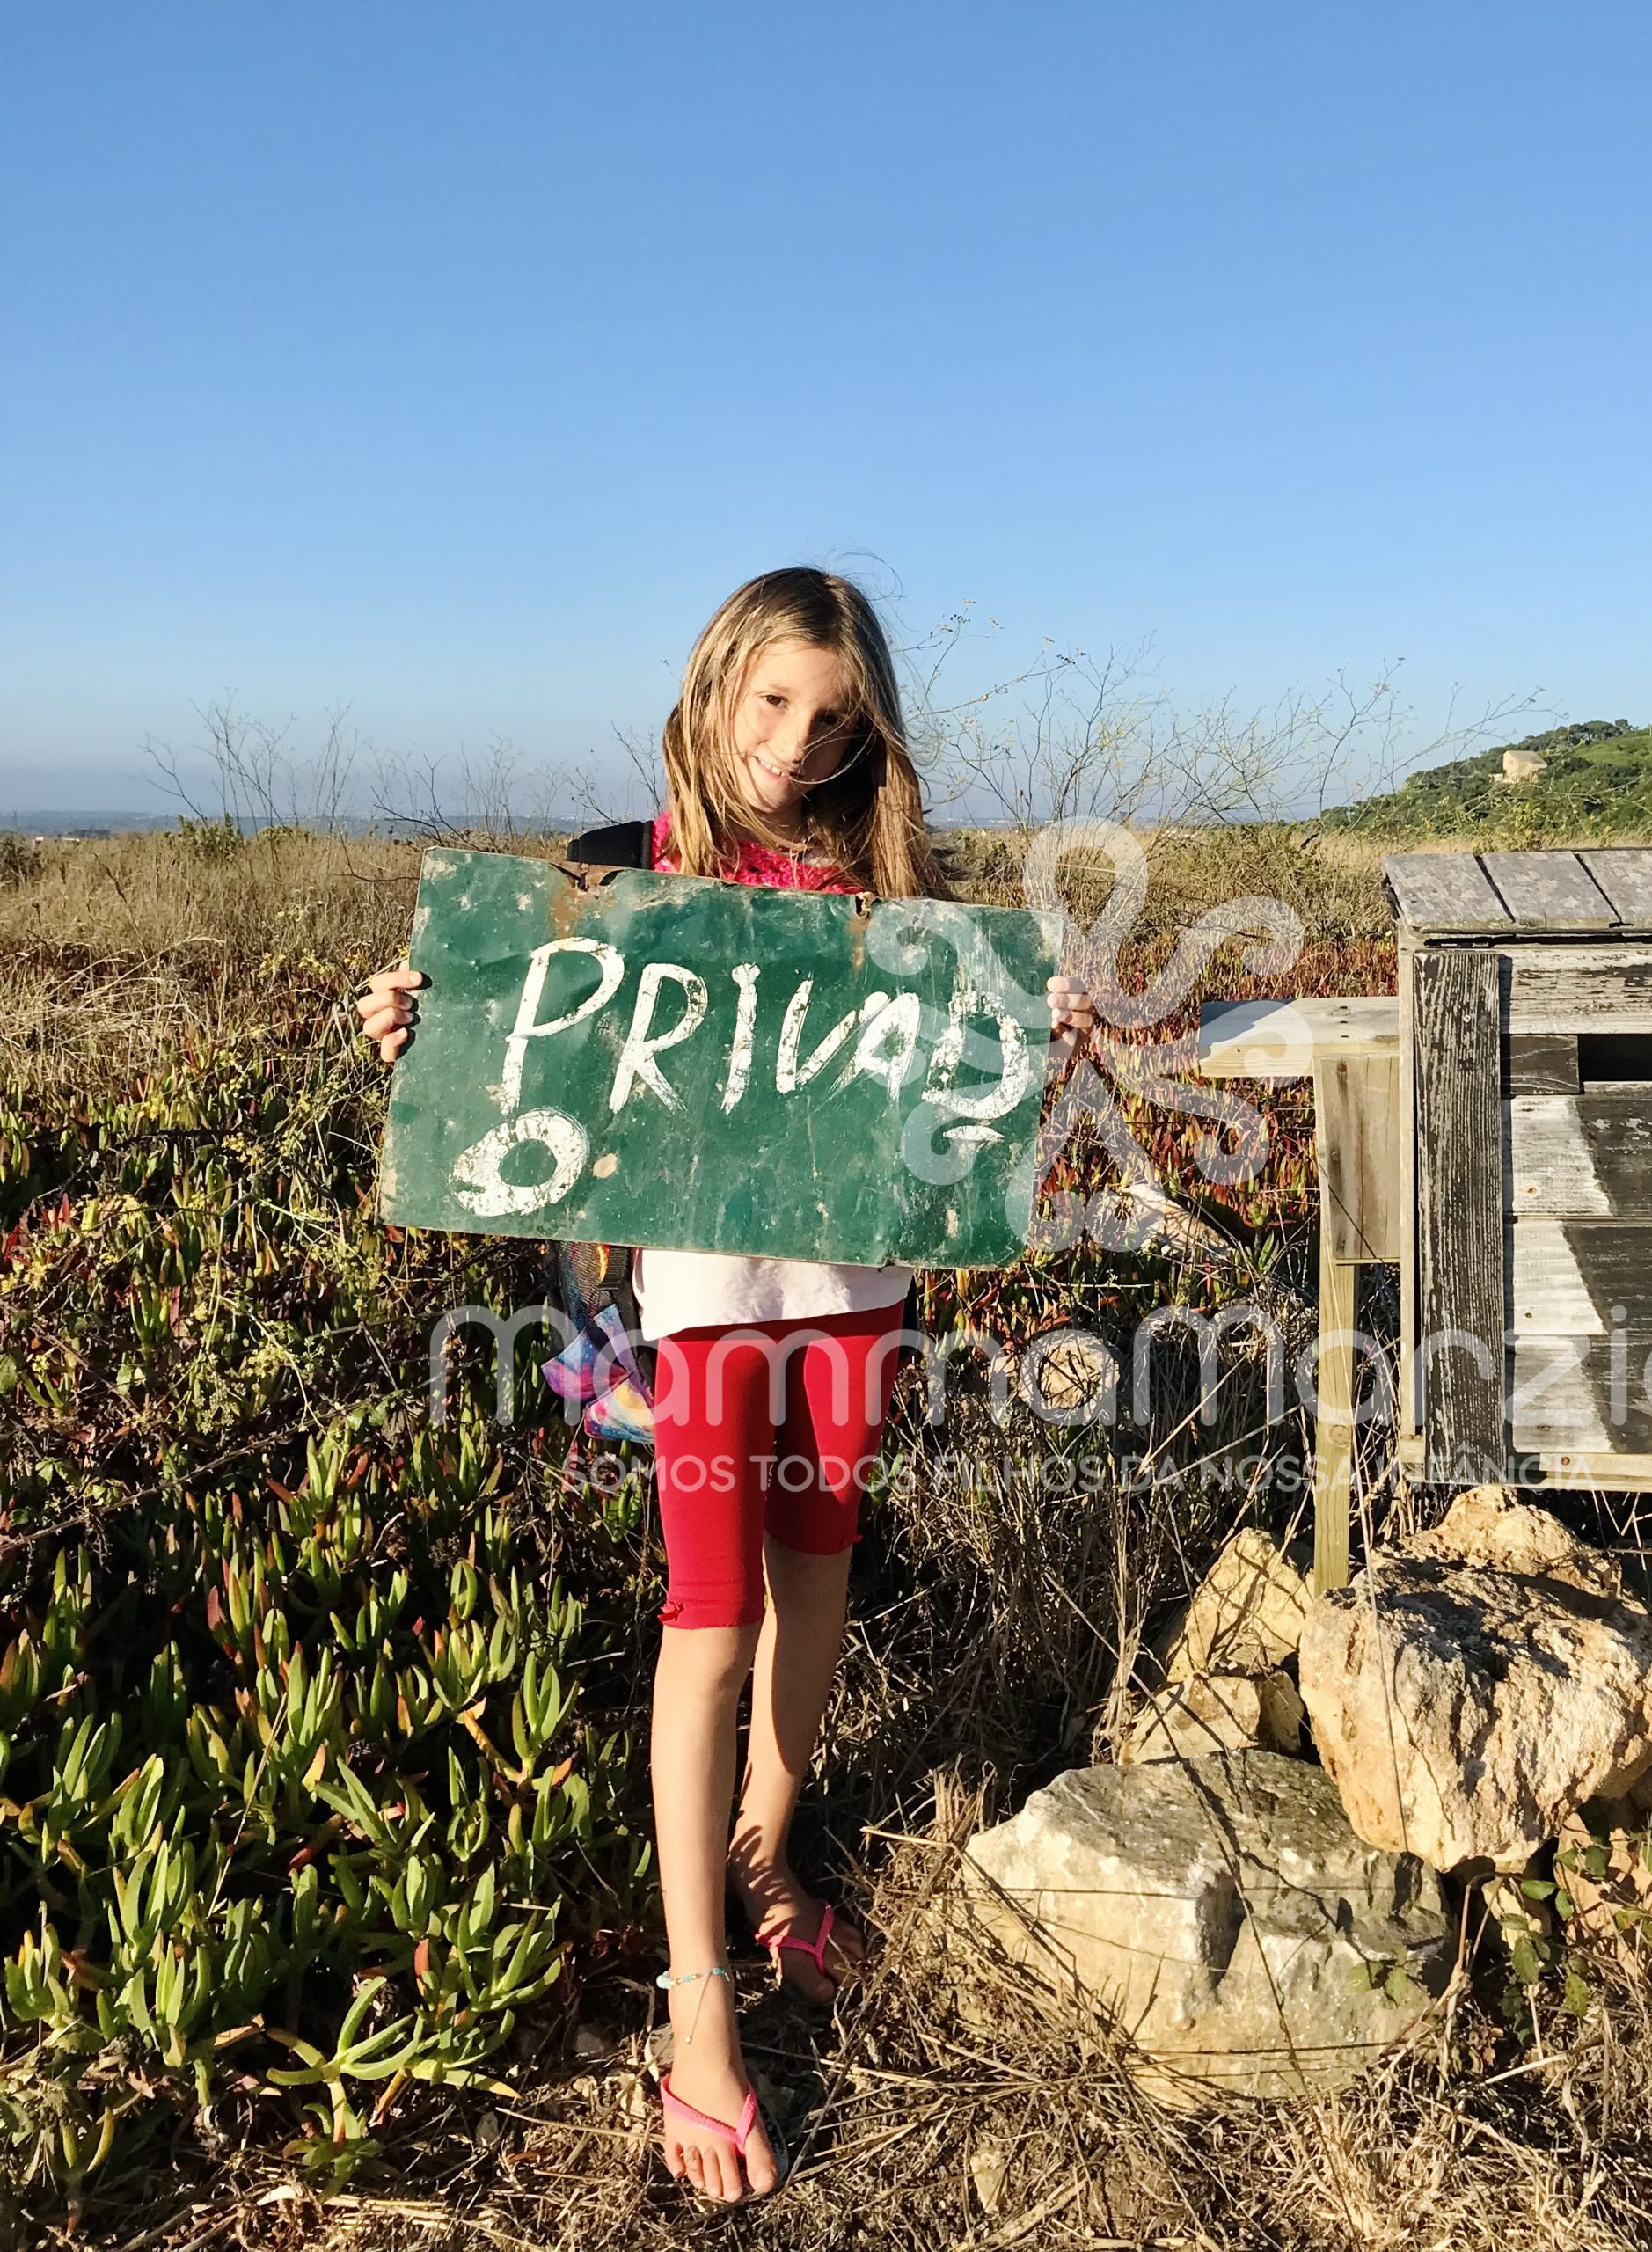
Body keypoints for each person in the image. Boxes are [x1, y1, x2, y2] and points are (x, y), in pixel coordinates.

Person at [355, 568, 1095, 2204]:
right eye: (773, 702)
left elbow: (967, 1085)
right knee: (711, 1616)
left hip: (856, 1297)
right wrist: (424, 1021)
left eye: (833, 716)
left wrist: (1041, 1026)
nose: (796, 742)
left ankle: (768, 1840)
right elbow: (515, 1037)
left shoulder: (899, 891)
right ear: (713, 688)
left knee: (819, 1563)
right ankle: (699, 2000)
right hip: (697, 1312)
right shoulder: (622, 870)